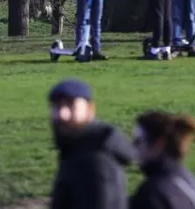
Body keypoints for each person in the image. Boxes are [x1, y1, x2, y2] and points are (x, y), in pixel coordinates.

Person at [48, 78, 132, 209]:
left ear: (90, 109)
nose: (62, 114)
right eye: (57, 106)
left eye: (71, 105)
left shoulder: (97, 160)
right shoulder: (75, 149)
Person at [129, 110, 195, 209]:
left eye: (138, 142)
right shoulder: (187, 180)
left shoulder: (153, 193)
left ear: (159, 143)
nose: (133, 147)